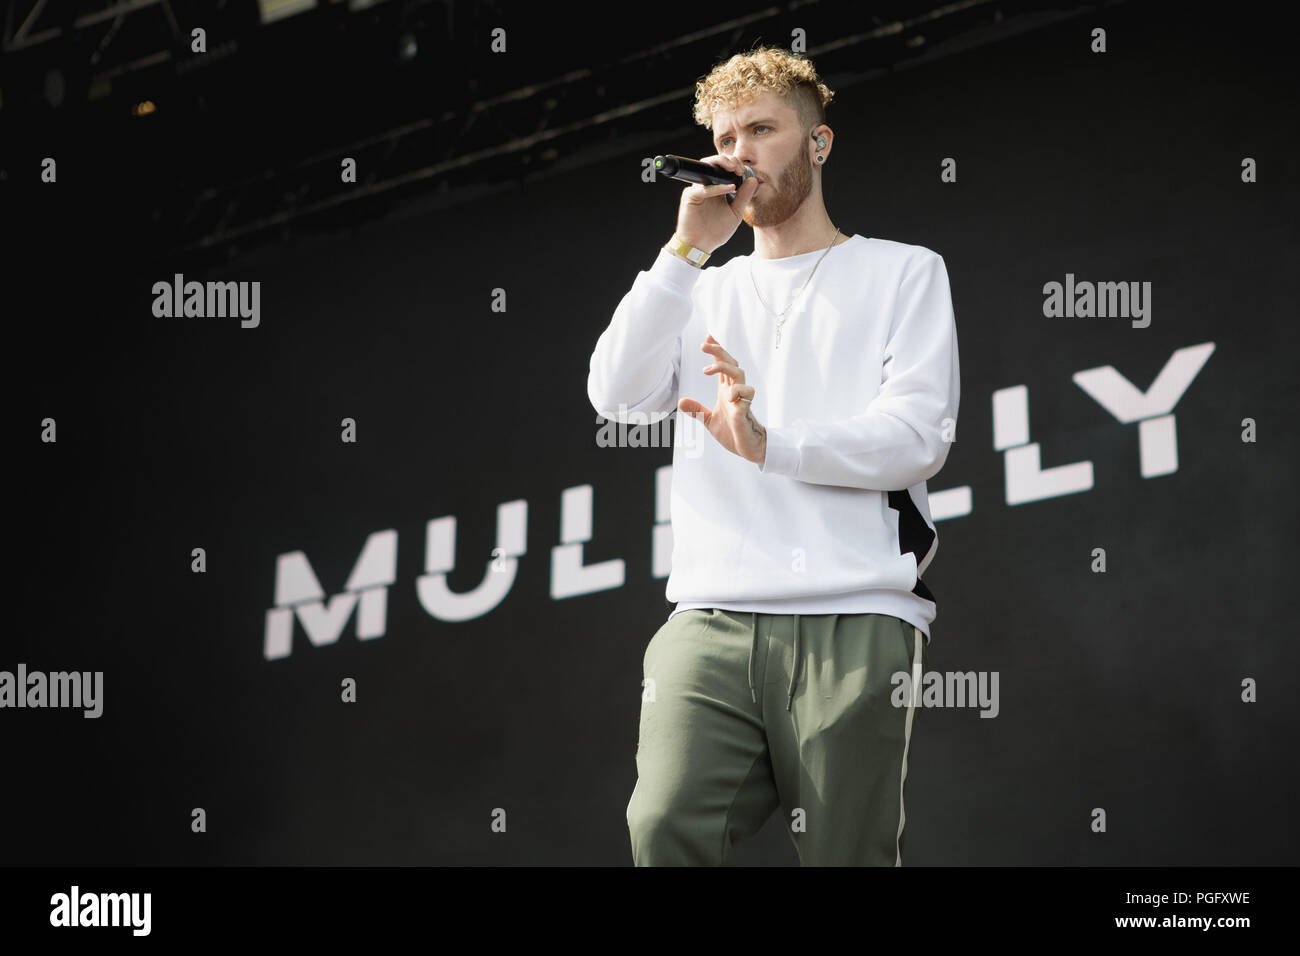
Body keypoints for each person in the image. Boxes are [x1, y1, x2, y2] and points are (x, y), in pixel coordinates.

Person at [586, 46, 960, 866]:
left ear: (818, 144)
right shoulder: (698, 288)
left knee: (845, 854)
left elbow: (917, 435)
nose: (740, 152)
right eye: (726, 136)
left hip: (856, 610)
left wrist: (772, 445)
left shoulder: (902, 271)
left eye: (763, 128)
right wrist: (684, 253)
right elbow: (614, 394)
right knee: (661, 827)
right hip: (710, 614)